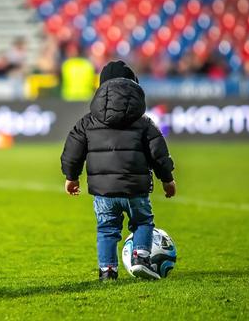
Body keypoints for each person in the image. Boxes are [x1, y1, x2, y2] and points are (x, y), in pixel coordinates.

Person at [60, 60, 175, 281]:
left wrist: (71, 177)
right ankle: (141, 257)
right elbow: (158, 152)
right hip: (135, 189)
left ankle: (107, 271)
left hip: (103, 192)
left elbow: (72, 151)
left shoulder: (87, 122)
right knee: (142, 222)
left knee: (107, 229)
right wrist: (167, 179)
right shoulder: (144, 123)